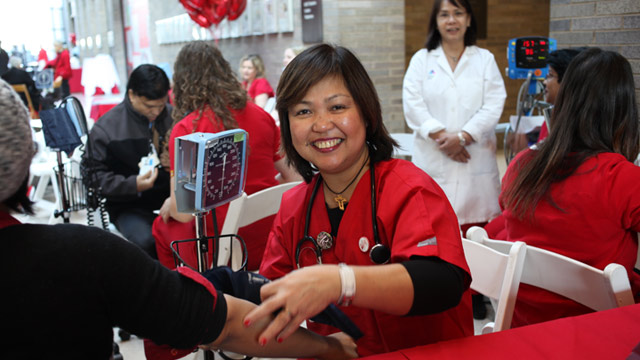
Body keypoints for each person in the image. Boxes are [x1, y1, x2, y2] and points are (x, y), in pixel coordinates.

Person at [0, 78, 356, 360]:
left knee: (165, 230)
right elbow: (292, 178)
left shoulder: (184, 124)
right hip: (246, 232)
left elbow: (184, 208)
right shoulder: (84, 254)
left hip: (221, 232)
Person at [244, 44, 473, 357]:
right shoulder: (295, 206)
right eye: (303, 111)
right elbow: (269, 300)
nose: (322, 124)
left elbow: (442, 283)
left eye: (337, 107)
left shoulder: (410, 189)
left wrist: (340, 282)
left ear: (367, 113)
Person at [500, 48, 640, 327]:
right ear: (623, 109)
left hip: (525, 326)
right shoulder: (620, 178)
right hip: (599, 329)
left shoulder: (520, 165)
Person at [153, 41, 301, 271]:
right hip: (271, 239)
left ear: (182, 82)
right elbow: (295, 178)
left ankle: (189, 294)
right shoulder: (261, 116)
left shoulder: (187, 130)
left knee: (161, 226)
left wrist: (170, 204)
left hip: (225, 250)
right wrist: (262, 195)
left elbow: (183, 215)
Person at [402, 0, 506, 320]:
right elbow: (413, 103)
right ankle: (447, 289)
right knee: (438, 225)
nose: (452, 20)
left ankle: (476, 291)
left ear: (469, 19)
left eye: (458, 13)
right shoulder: (423, 59)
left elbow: (494, 103)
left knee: (477, 226)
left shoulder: (484, 59)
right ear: (436, 21)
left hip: (473, 155)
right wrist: (442, 137)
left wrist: (463, 137)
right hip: (436, 155)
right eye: (445, 14)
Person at [485, 47, 585, 241]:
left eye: (550, 76)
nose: (544, 83)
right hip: (531, 201)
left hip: (543, 206)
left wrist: (525, 155)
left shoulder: (570, 128)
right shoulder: (553, 118)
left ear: (568, 84)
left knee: (495, 238)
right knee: (488, 233)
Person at [82, 64, 173, 259]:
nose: (156, 112)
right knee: (148, 242)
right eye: (149, 106)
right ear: (131, 95)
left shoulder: (174, 118)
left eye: (161, 104)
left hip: (171, 199)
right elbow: (92, 177)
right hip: (129, 205)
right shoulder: (107, 128)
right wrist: (133, 185)